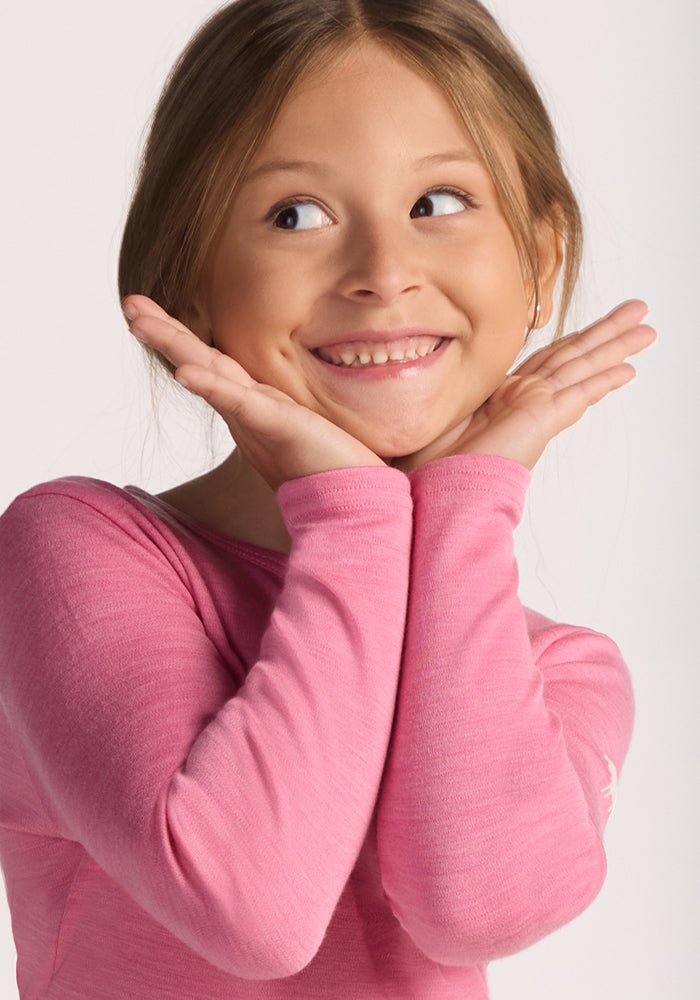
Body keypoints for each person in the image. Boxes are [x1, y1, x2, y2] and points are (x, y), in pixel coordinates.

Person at [0, 0, 656, 997]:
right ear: (188, 281)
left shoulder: (561, 668)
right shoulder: (79, 550)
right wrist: (352, 513)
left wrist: (465, 509)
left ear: (543, 258)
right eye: (294, 215)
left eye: (438, 202)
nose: (383, 275)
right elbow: (249, 908)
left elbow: (476, 906)